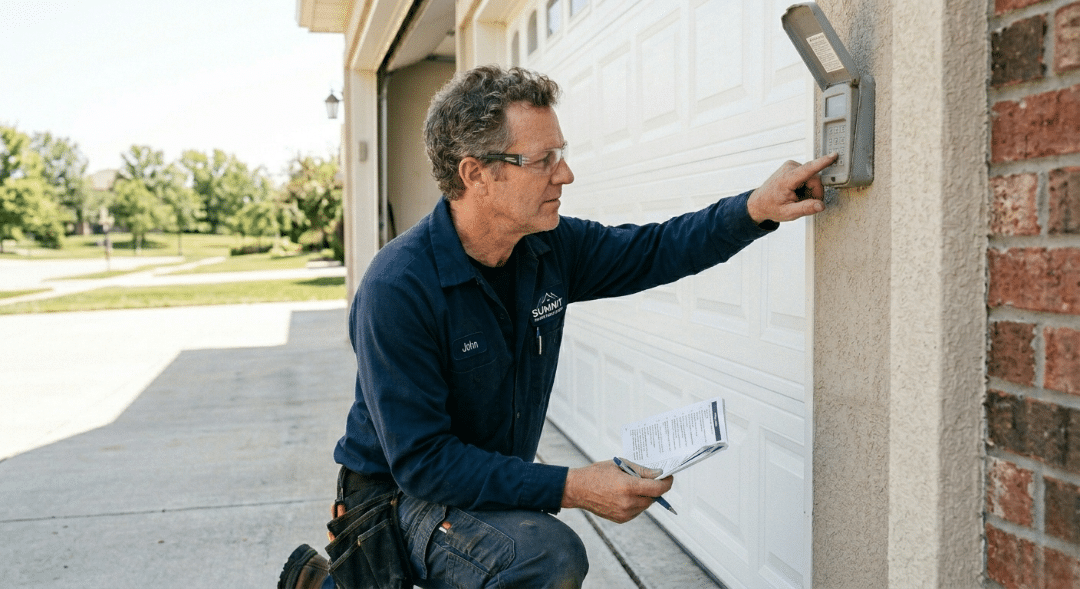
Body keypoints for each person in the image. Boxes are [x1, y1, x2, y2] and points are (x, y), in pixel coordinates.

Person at [278, 65, 836, 589]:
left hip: (478, 481)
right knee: (545, 554)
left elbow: (655, 249)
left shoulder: (548, 248)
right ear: (476, 174)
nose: (565, 173)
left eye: (561, 154)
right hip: (398, 499)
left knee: (528, 545)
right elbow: (425, 463)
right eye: (542, 159)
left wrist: (756, 208)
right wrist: (573, 488)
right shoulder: (398, 287)